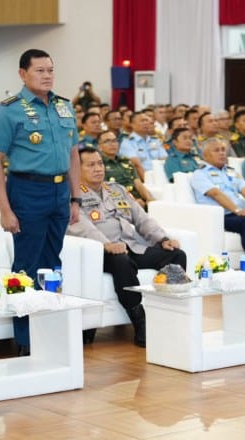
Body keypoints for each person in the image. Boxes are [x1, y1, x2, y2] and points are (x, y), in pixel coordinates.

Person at [0, 49, 80, 357]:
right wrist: (4, 209)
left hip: (59, 192)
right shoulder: (10, 111)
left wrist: (76, 197)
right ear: (22, 74)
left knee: (53, 262)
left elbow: (73, 154)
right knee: (25, 265)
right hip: (26, 190)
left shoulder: (64, 107)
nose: (47, 75)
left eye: (50, 69)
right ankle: (25, 339)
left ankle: (49, 329)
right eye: (39, 70)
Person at [67, 147, 186, 347]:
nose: (98, 169)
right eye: (91, 165)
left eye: (100, 163)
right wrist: (107, 245)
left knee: (175, 254)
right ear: (77, 169)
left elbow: (142, 219)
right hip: (101, 253)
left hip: (131, 247)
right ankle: (140, 321)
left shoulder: (117, 190)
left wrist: (162, 238)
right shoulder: (72, 195)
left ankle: (169, 313)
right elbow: (83, 227)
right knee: (121, 261)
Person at [191, 138, 245, 277]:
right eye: (216, 150)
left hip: (239, 213)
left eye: (223, 150)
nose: (222, 153)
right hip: (222, 216)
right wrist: (236, 210)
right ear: (205, 155)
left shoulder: (230, 171)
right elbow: (215, 194)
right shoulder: (200, 174)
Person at [98, 131, 153, 209]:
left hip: (139, 201)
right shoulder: (99, 165)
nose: (112, 144)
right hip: (118, 203)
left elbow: (137, 182)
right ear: (99, 146)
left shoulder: (125, 161)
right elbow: (107, 190)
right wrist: (132, 202)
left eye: (114, 141)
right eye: (107, 141)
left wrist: (149, 199)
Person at [118, 112, 167, 181]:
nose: (146, 123)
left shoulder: (155, 141)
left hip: (162, 178)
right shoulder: (127, 143)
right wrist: (149, 182)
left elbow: (164, 159)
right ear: (132, 124)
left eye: (146, 120)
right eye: (142, 121)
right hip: (144, 181)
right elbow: (137, 166)